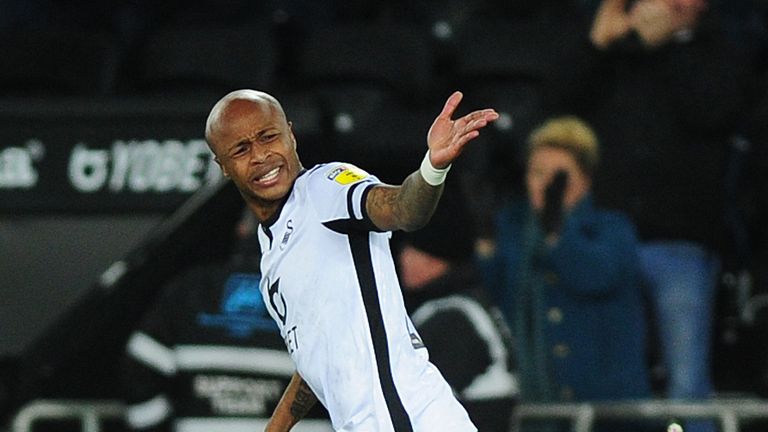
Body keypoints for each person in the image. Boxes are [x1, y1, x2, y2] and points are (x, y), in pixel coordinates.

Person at [203, 89, 498, 431]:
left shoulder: (325, 189)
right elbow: (319, 357)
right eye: (241, 149)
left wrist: (432, 168)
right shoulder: (271, 252)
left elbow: (402, 208)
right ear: (223, 165)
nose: (260, 156)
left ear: (291, 135)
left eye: (269, 137)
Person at [544, 1, 759, 431]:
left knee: (687, 385)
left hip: (680, 242)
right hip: (604, 239)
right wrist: (596, 45)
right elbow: (557, 109)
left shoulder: (721, 46)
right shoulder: (613, 53)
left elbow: (713, 110)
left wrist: (666, 45)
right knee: (605, 381)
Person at [478, 116, 653, 431]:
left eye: (558, 176)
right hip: (537, 407)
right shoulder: (514, 231)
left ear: (584, 180)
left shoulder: (612, 229)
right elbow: (497, 297)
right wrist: (484, 238)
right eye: (537, 173)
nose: (545, 185)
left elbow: (594, 276)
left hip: (607, 412)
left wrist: (557, 230)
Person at [119, 210, 333, 432]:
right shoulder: (322, 296)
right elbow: (356, 381)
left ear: (241, 229)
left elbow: (138, 371)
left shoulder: (190, 289)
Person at [395, 185, 519, 432]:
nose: (403, 257)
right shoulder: (468, 306)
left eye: (416, 250)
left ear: (438, 260)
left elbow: (399, 396)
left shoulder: (452, 318)